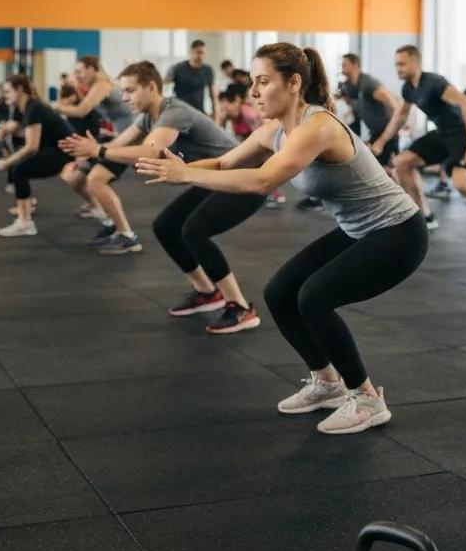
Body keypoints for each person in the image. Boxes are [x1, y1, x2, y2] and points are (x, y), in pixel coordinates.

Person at [136, 43, 428, 434]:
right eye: (252, 82)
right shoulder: (274, 130)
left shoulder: (318, 127)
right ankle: (327, 384)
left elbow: (262, 180)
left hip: (399, 233)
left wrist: (187, 177)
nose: (253, 92)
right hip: (358, 230)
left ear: (293, 83)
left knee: (314, 298)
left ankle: (368, 398)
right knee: (279, 293)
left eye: (262, 82)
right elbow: (225, 163)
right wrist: (178, 166)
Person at [61, 62, 259, 332]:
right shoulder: (147, 117)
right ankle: (207, 292)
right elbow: (118, 145)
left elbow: (150, 151)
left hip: (242, 177)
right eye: (124, 91)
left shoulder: (174, 111)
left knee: (194, 231)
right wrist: (88, 151)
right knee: (165, 226)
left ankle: (241, 308)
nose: (126, 97)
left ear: (152, 87)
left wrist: (99, 151)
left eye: (131, 91)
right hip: (210, 178)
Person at [374, 45, 466, 249]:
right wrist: (382, 141)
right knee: (401, 163)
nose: (397, 68)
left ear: (415, 63)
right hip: (442, 134)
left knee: (461, 183)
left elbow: (465, 104)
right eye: (396, 64)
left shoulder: (434, 82)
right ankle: (425, 216)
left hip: (461, 134)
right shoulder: (408, 88)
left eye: (402, 64)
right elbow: (400, 116)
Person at [55, 56, 143, 254]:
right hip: (117, 137)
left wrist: (54, 107)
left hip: (129, 140)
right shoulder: (96, 86)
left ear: (92, 69)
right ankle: (109, 222)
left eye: (80, 71)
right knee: (76, 179)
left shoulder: (102, 84)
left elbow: (81, 110)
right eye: (75, 72)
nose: (77, 75)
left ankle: (128, 236)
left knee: (96, 180)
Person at [0, 75, 75, 237]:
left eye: (7, 91)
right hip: (55, 148)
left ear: (19, 90)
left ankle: (25, 222)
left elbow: (32, 147)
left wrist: (6, 162)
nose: (5, 95)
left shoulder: (34, 107)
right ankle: (24, 211)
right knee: (19, 168)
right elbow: (32, 135)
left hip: (64, 152)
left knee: (19, 169)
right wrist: (10, 129)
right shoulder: (27, 107)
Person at [219, 83, 285, 207]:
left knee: (257, 169)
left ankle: (274, 194)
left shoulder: (248, 113)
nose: (226, 110)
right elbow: (220, 133)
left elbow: (261, 135)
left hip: (263, 143)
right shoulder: (231, 114)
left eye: (227, 107)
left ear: (236, 102)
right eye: (224, 108)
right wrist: (222, 117)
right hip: (246, 142)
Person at [339, 53, 399, 167]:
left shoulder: (368, 84)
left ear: (355, 65)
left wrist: (384, 139)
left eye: (344, 65)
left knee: (390, 169)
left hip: (387, 132)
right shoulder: (348, 86)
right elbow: (353, 105)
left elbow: (395, 106)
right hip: (374, 132)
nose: (342, 67)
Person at [166, 39, 217, 117]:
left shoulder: (208, 70)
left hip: (199, 112)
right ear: (191, 52)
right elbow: (164, 83)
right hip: (179, 112)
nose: (201, 56)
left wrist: (215, 114)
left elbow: (213, 95)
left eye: (203, 53)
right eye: (199, 52)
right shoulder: (178, 68)